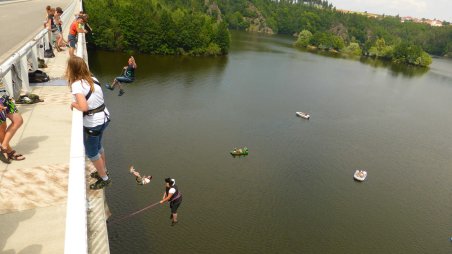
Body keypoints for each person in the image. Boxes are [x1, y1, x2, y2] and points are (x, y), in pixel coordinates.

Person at [67, 56, 111, 190]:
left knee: (91, 152)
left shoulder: (76, 85)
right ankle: (103, 170)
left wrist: (74, 104)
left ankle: (104, 178)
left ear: (71, 69)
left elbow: (84, 107)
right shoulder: (93, 79)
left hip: (93, 123)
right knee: (98, 146)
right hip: (104, 117)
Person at [0, 94, 25, 163]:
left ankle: (4, 146)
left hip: (5, 96)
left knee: (18, 120)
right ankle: (7, 150)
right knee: (2, 127)